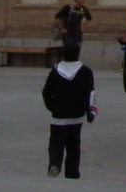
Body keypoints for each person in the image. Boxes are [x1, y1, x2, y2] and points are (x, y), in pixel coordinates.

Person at [41, 40, 97, 178]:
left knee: (55, 144)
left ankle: (54, 164)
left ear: (63, 54)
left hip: (58, 118)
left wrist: (52, 107)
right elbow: (90, 93)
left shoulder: (55, 71)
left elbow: (46, 92)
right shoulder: (85, 71)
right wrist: (91, 111)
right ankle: (72, 173)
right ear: (78, 54)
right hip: (76, 118)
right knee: (74, 147)